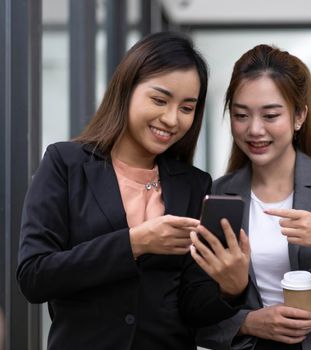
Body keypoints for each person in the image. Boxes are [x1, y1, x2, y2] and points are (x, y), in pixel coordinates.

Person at [16, 31, 250, 350]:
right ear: (126, 90)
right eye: (159, 99)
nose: (171, 119)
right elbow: (34, 276)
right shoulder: (66, 164)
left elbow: (192, 308)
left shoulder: (194, 184)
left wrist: (231, 288)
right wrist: (135, 242)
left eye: (186, 107)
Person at [191, 44, 311, 350]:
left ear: (299, 115)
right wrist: (249, 322)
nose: (254, 129)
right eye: (241, 115)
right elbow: (194, 313)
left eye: (271, 115)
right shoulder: (217, 195)